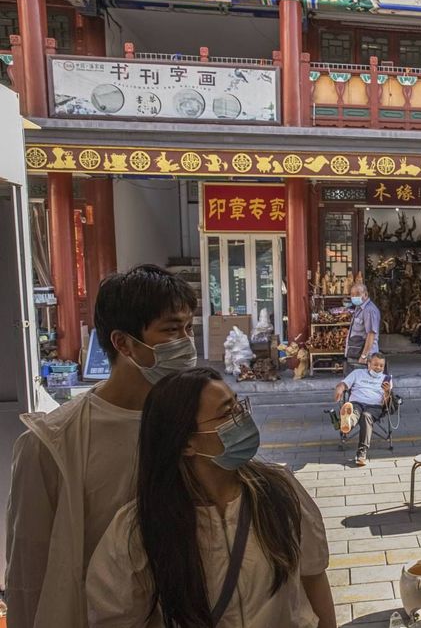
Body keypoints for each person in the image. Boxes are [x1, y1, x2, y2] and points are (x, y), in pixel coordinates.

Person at [6, 264, 198, 628]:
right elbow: (27, 573)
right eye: (172, 330)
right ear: (122, 342)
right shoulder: (52, 444)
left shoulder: (195, 421)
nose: (186, 343)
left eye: (189, 329)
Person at [86, 368, 335, 628]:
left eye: (239, 405)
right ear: (186, 443)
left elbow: (314, 576)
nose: (242, 417)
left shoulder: (280, 491)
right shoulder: (138, 531)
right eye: (227, 413)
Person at [333, 353, 393, 466]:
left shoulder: (387, 379)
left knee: (366, 416)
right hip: (357, 402)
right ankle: (348, 422)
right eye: (375, 364)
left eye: (381, 365)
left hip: (375, 407)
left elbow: (386, 401)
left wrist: (387, 392)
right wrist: (339, 389)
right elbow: (343, 384)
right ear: (368, 364)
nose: (379, 368)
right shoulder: (357, 373)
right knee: (355, 411)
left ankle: (361, 451)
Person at [345, 282, 382, 373]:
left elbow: (371, 335)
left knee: (363, 384)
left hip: (364, 357)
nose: (354, 297)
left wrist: (364, 356)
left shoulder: (369, 310)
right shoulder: (359, 308)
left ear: (365, 294)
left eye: (357, 294)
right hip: (355, 352)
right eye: (352, 294)